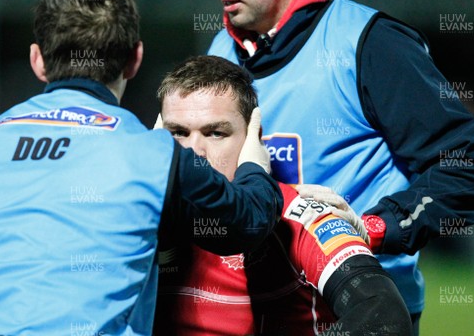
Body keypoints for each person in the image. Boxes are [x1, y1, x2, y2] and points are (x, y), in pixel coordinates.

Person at [0, 0, 283, 335]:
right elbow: (247, 221)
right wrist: (253, 166)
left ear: (37, 61)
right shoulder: (152, 156)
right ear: (135, 59)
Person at [201, 0, 474, 333]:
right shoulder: (219, 52)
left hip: (363, 314)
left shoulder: (370, 43)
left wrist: (374, 227)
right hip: (254, 315)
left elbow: (471, 164)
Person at [154, 55, 412, 335]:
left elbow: (383, 316)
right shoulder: (137, 212)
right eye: (178, 133)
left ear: (254, 139)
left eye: (215, 133)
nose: (195, 153)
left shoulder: (300, 215)